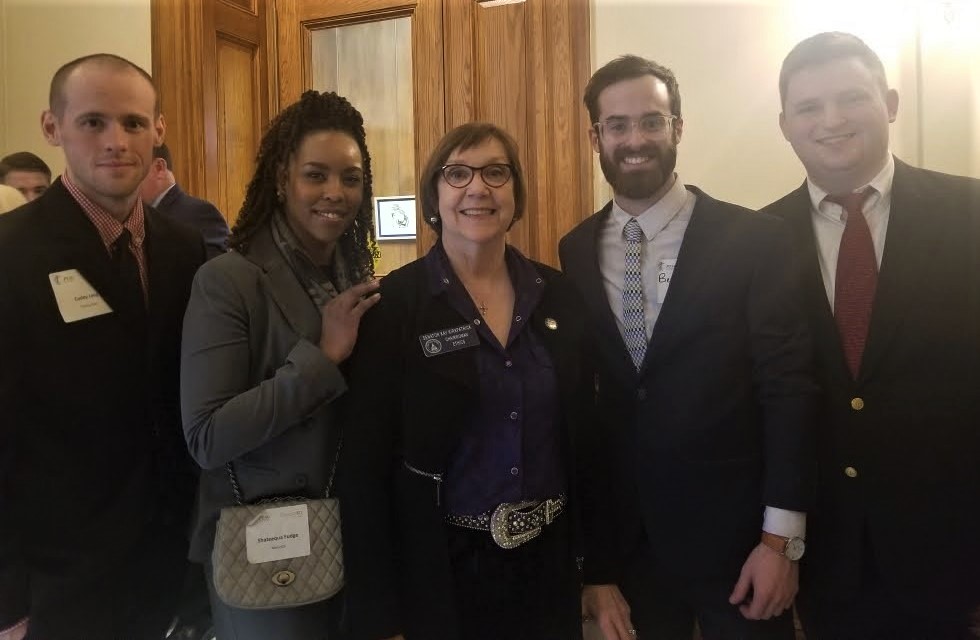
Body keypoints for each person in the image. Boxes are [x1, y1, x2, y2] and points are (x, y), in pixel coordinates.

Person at [559, 55, 817, 640]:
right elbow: (594, 414)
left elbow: (789, 389)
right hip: (633, 552)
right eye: (617, 125)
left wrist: (783, 541)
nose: (635, 140)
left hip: (742, 545)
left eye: (652, 121)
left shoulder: (755, 240)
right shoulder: (573, 250)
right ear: (596, 136)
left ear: (677, 126)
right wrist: (596, 563)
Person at [340, 122, 610, 640]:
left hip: (549, 567)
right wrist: (380, 618)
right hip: (441, 573)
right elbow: (363, 470)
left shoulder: (558, 296)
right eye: (458, 174)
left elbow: (588, 443)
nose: (478, 188)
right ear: (435, 197)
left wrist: (598, 570)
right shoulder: (394, 307)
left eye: (495, 173)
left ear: (516, 194)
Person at [761, 31, 980, 638]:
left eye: (850, 98)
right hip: (828, 558)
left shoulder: (969, 214)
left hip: (953, 551)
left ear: (890, 102)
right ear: (785, 124)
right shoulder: (757, 240)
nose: (831, 121)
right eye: (808, 107)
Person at [0, 53, 205, 639]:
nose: (116, 141)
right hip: (55, 586)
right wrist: (7, 599)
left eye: (134, 123)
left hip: (165, 573)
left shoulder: (184, 250)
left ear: (158, 131)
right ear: (52, 127)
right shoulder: (10, 255)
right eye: (93, 122)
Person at [180, 89, 381, 640]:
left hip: (356, 537)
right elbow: (207, 435)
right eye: (316, 175)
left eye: (351, 178)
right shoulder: (229, 280)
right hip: (268, 550)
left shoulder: (354, 273)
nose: (335, 194)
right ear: (280, 179)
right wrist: (322, 358)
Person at [140, 142, 230, 258]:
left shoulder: (201, 213)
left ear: (159, 168)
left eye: (135, 167)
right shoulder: (136, 219)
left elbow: (214, 272)